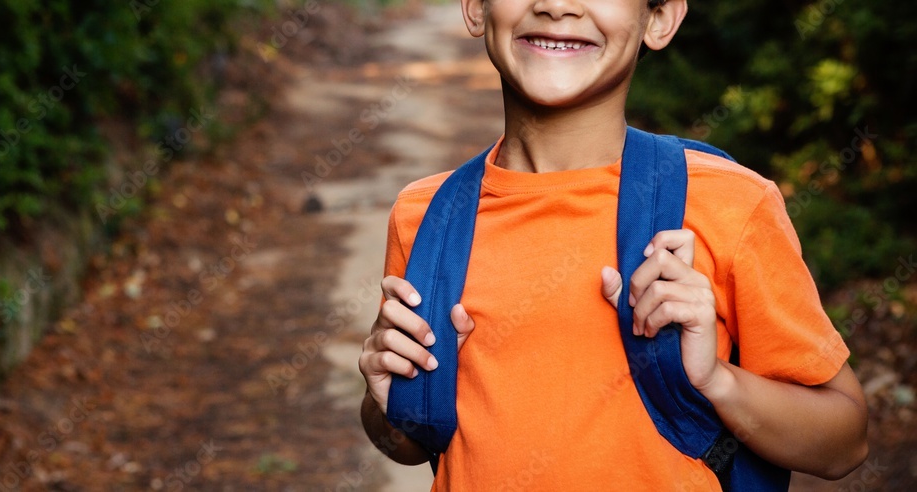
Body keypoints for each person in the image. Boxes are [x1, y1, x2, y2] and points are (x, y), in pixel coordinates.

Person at [357, 0, 869, 489]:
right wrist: (384, 405)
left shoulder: (730, 204)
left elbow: (844, 444)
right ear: (476, 8)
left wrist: (717, 380)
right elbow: (410, 442)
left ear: (660, 18)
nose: (558, 6)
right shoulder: (427, 217)